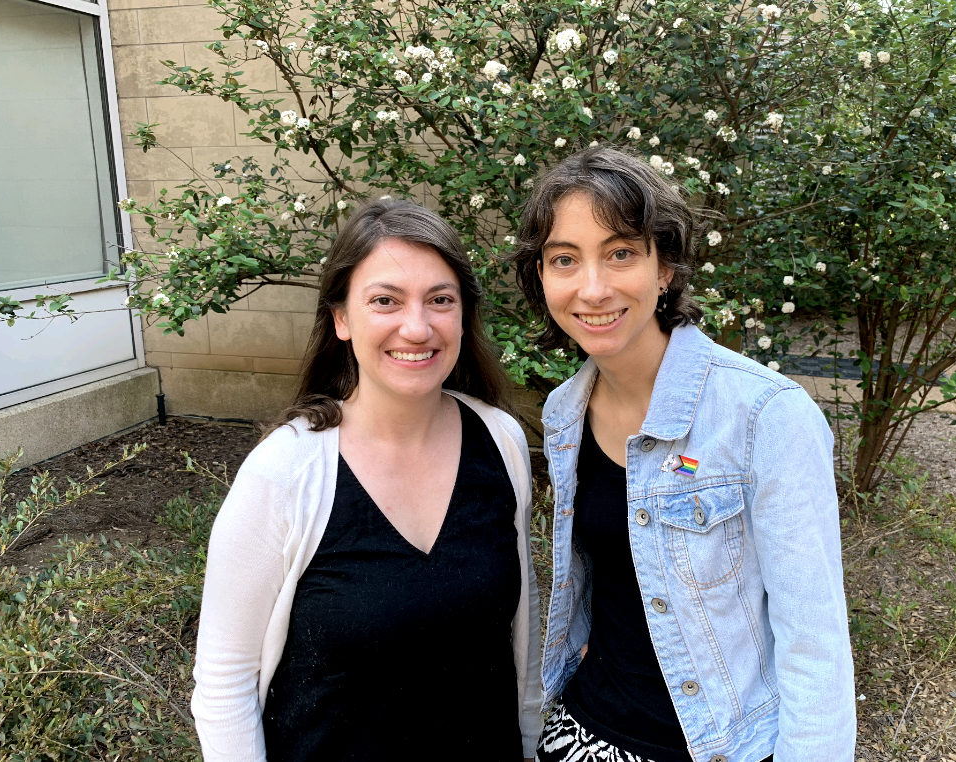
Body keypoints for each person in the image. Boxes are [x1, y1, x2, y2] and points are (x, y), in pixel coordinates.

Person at [513, 147, 856, 762]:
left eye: (621, 253)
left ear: (665, 266)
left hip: (720, 746)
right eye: (565, 260)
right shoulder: (565, 411)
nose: (593, 288)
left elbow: (815, 646)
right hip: (582, 733)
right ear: (542, 277)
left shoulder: (765, 416)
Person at [191, 199, 543, 761]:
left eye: (440, 300)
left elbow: (518, 638)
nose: (417, 326)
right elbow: (224, 681)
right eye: (385, 300)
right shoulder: (285, 473)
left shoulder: (500, 441)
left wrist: (529, 745)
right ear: (342, 318)